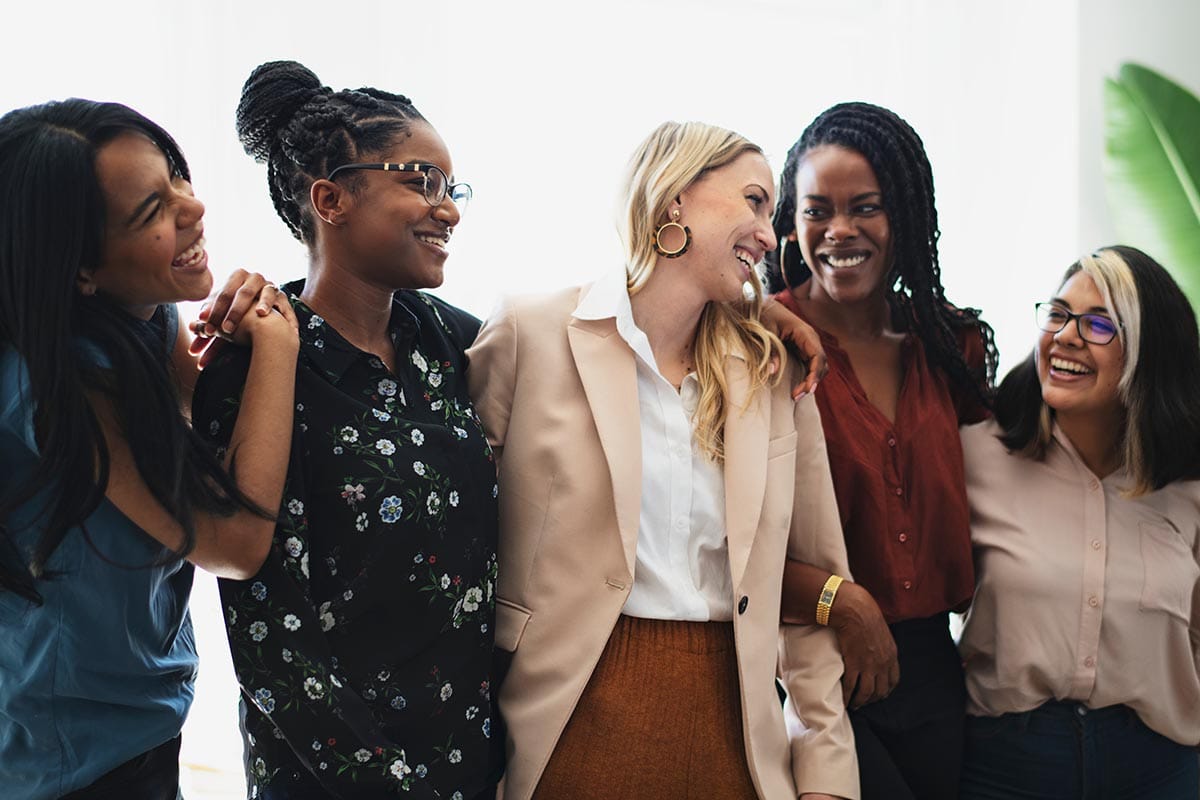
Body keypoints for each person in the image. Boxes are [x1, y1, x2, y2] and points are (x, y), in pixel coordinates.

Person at [467, 120, 857, 800]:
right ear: (676, 197)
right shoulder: (531, 334)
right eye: (755, 202)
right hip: (567, 737)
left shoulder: (774, 373)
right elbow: (454, 536)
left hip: (735, 748)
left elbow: (812, 584)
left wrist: (825, 773)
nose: (771, 235)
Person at [191, 60, 503, 800]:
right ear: (330, 199)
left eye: (451, 188)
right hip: (327, 774)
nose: (448, 209)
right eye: (420, 181)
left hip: (472, 758)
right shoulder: (255, 366)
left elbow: (597, 342)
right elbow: (270, 639)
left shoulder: (454, 344)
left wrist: (774, 305)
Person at [0, 99, 298, 799]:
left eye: (175, 178)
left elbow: (180, 415)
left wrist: (228, 338)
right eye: (151, 213)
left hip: (133, 718)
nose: (192, 208)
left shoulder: (142, 309)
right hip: (69, 755)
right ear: (80, 270)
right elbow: (233, 541)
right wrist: (277, 345)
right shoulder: (64, 382)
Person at [765, 101, 998, 800]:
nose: (839, 232)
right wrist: (846, 603)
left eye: (864, 208)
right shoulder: (760, 343)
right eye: (816, 211)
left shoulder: (951, 347)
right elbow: (725, 538)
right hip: (809, 660)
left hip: (932, 667)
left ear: (906, 215)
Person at [958, 246, 1200, 799]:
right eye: (1059, 315)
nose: (1066, 336)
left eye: (1098, 324)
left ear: (1150, 352)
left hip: (1157, 770)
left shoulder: (1188, 487)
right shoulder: (976, 456)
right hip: (1005, 767)